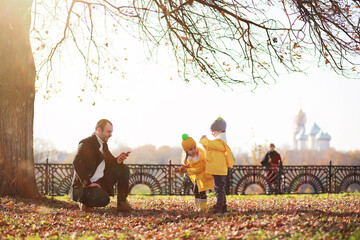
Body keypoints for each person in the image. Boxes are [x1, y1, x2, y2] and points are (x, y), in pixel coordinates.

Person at [69, 119, 133, 212]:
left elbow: (111, 162)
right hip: (83, 187)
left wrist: (118, 160)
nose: (111, 134)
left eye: (111, 132)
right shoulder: (86, 143)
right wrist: (87, 183)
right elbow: (76, 161)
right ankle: (85, 203)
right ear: (99, 130)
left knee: (123, 169)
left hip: (100, 183)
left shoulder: (104, 145)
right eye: (108, 131)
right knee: (104, 200)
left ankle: (122, 203)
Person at [200, 117, 234, 214]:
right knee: (220, 187)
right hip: (218, 168)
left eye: (213, 131)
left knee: (219, 188)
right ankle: (222, 205)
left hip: (218, 168)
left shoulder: (220, 141)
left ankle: (219, 206)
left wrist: (205, 140)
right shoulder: (218, 141)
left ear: (219, 131)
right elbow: (211, 147)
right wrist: (205, 142)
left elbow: (214, 145)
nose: (212, 133)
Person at [175, 134, 214, 212]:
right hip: (198, 177)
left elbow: (199, 169)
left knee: (202, 191)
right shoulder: (189, 158)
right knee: (195, 190)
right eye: (190, 150)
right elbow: (189, 167)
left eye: (194, 148)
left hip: (203, 176)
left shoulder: (200, 156)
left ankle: (203, 208)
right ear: (186, 151)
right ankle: (197, 207)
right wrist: (183, 168)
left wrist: (187, 170)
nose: (193, 151)